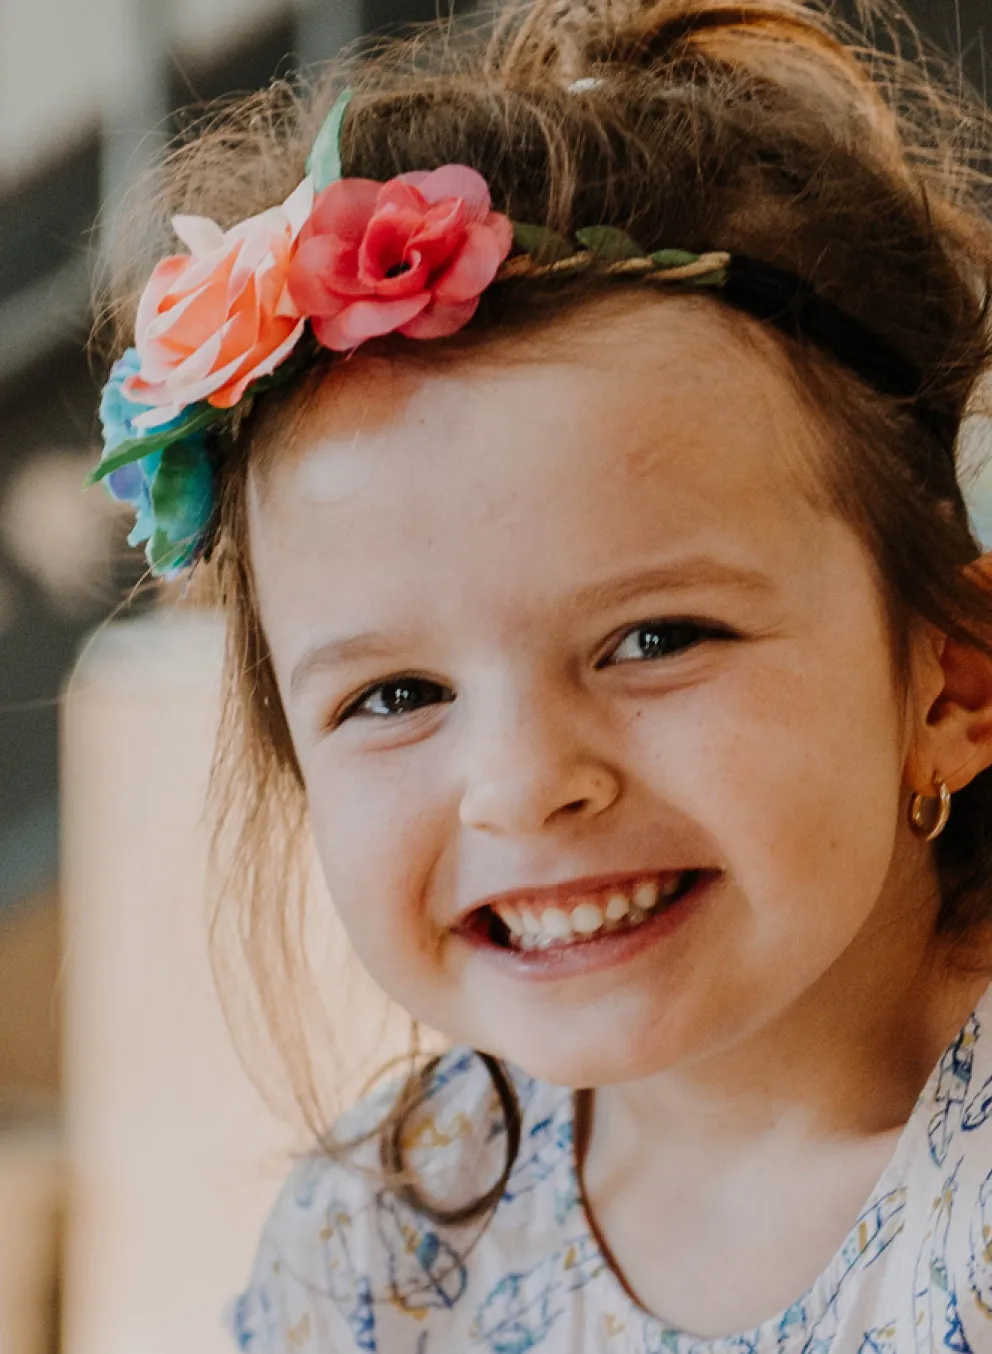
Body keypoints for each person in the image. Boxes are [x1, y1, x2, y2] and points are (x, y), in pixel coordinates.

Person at [89, 0, 992, 1347]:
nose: (522, 784)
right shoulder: (383, 1249)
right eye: (394, 694)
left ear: (953, 682)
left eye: (655, 638)